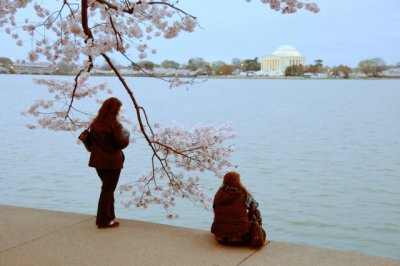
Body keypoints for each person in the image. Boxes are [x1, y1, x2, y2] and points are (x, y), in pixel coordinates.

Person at [88, 97, 130, 228]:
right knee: (107, 190)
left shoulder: (95, 123)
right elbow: (121, 143)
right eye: (119, 109)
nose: (119, 111)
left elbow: (92, 144)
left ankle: (109, 217)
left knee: (107, 189)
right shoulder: (115, 125)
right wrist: (127, 135)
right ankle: (102, 221)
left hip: (98, 161)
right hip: (112, 162)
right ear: (115, 110)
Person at [211, 171, 265, 245]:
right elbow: (254, 206)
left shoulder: (218, 194)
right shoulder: (243, 194)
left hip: (221, 237)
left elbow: (215, 209)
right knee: (256, 211)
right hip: (241, 237)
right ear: (237, 182)